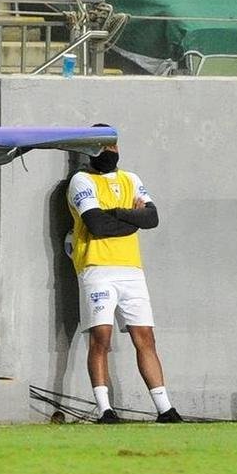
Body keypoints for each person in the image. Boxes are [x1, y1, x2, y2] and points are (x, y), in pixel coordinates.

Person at [66, 128, 181, 423]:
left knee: (145, 337)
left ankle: (165, 409)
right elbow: (96, 225)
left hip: (131, 269)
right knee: (101, 338)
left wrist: (114, 212)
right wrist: (132, 218)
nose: (110, 151)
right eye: (103, 146)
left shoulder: (132, 179)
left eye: (113, 145)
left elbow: (152, 218)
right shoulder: (81, 181)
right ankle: (105, 409)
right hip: (97, 268)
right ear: (89, 150)